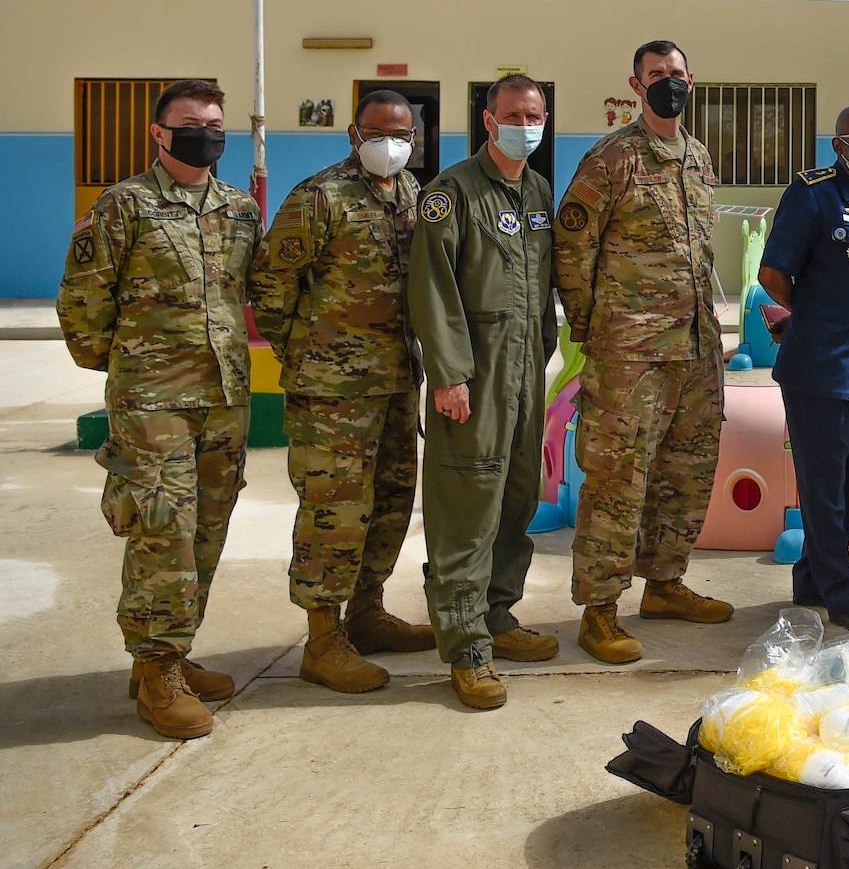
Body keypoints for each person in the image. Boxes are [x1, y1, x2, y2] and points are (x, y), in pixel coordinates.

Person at [58, 79, 262, 739]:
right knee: (162, 533)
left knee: (206, 530)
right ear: (158, 131)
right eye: (190, 121)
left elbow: (244, 294)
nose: (205, 131)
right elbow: (82, 307)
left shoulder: (238, 208)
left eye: (213, 122)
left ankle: (171, 650)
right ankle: (156, 673)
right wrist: (131, 372)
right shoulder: (125, 205)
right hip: (154, 403)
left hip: (224, 400)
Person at [555, 40, 733, 665]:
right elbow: (573, 253)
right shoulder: (611, 158)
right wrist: (590, 329)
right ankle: (599, 610)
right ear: (636, 86)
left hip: (695, 348)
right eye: (656, 75)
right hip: (628, 352)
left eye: (677, 74)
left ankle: (664, 584)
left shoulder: (699, 158)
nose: (669, 83)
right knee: (616, 478)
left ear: (693, 79)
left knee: (685, 472)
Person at [250, 89, 433, 696]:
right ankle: (323, 638)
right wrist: (304, 357)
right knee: (334, 512)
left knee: (389, 503)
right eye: (380, 132)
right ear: (355, 135)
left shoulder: (410, 196)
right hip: (333, 395)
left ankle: (367, 613)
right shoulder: (319, 197)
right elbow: (271, 286)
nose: (392, 143)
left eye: (402, 133)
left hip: (395, 386)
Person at [408, 74, 561, 709]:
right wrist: (449, 375)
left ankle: (498, 616)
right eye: (514, 114)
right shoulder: (453, 193)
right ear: (488, 120)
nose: (526, 123)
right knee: (466, 510)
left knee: (516, 498)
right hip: (473, 379)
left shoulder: (538, 192)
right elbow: (433, 288)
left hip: (525, 374)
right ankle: (467, 646)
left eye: (536, 114)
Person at [758, 104, 849, 633]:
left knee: (848, 482)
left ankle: (813, 578)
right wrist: (811, 315)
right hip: (819, 364)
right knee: (822, 484)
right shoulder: (813, 193)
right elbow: (773, 271)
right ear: (840, 143)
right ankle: (845, 595)